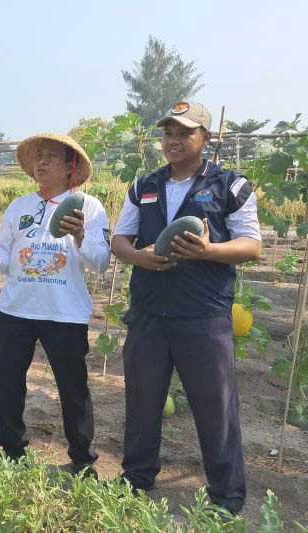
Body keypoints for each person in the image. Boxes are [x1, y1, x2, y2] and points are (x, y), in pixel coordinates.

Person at [111, 102, 261, 514]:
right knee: (142, 402)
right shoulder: (143, 185)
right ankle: (136, 479)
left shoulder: (231, 185)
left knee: (217, 410)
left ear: (205, 139)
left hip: (204, 317)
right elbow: (119, 240)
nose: (173, 141)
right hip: (148, 315)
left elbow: (251, 245)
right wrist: (139, 257)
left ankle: (226, 498)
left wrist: (210, 250)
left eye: (184, 133)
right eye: (168, 134)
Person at [0, 134, 110, 473]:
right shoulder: (19, 206)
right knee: (7, 381)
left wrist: (78, 236)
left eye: (50, 157)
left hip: (65, 312)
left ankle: (81, 458)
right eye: (38, 158)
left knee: (72, 386)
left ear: (70, 167)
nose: (41, 163)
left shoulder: (88, 207)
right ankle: (10, 450)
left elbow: (102, 261)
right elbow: (2, 259)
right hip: (15, 309)